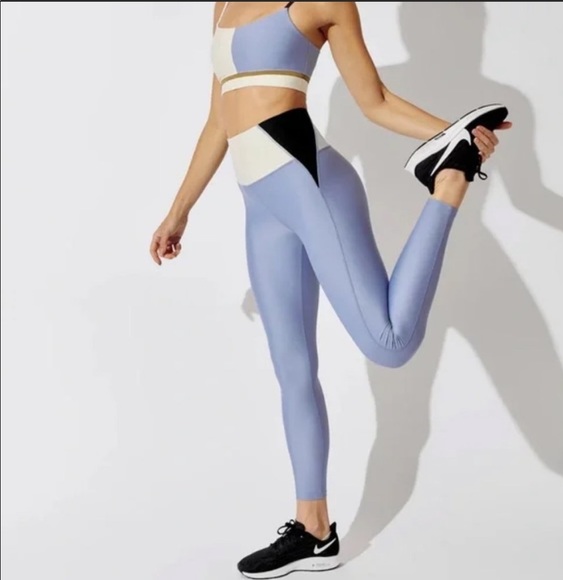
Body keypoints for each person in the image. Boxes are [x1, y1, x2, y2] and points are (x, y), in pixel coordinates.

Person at [149, 2, 512, 578]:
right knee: (293, 370)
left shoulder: (323, 2)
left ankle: (449, 183)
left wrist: (455, 137)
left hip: (309, 181)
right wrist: (179, 211)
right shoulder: (223, 3)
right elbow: (219, 116)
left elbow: (376, 101)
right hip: (260, 203)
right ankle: (313, 531)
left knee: (389, 344)